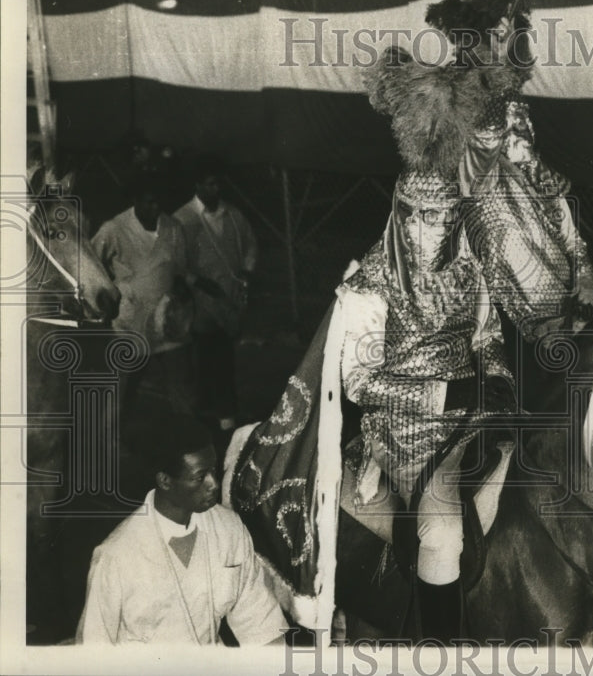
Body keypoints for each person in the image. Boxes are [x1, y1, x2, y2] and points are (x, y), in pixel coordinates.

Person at [230, 168, 516, 643]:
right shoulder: (369, 286)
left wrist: (499, 377)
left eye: (447, 218)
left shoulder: (469, 269)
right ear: (401, 217)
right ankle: (439, 651)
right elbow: (360, 382)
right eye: (426, 218)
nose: (439, 230)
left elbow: (486, 337)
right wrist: (445, 393)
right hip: (406, 435)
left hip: (476, 419)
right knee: (441, 534)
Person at [365, 0, 593, 342]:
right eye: (503, 34)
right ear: (490, 38)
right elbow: (523, 157)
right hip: (480, 204)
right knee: (530, 235)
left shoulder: (446, 82)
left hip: (426, 205)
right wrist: (554, 188)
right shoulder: (499, 92)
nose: (511, 41)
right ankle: (558, 319)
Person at [76, 414, 285, 644]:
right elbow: (93, 648)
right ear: (165, 481)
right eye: (199, 477)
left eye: (213, 470)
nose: (214, 484)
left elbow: (261, 624)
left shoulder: (229, 530)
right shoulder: (116, 555)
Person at [92, 173, 197, 422]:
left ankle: (187, 437)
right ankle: (113, 440)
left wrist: (181, 289)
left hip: (167, 320)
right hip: (129, 321)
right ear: (135, 201)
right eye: (148, 202)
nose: (154, 208)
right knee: (122, 388)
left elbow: (179, 270)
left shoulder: (172, 228)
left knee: (180, 383)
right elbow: (92, 265)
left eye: (158, 202)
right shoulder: (113, 228)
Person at [174, 156, 257, 431]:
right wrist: (195, 282)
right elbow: (176, 261)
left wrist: (246, 271)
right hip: (200, 300)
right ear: (197, 185)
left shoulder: (232, 215)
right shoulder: (183, 219)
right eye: (209, 184)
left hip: (228, 299)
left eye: (217, 184)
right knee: (207, 356)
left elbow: (250, 245)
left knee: (221, 356)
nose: (215, 189)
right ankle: (218, 412)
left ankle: (216, 411)